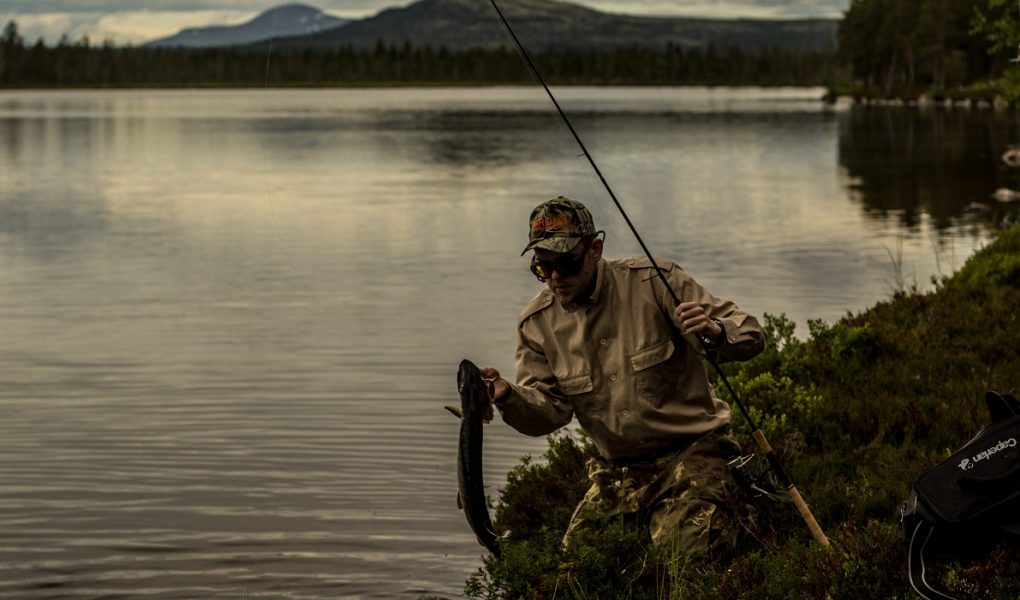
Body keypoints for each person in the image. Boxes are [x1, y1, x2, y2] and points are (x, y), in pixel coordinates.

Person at [481, 196, 766, 559]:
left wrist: (716, 330)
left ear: (595, 249)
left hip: (693, 453)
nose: (555, 278)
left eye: (566, 264)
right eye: (542, 268)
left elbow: (752, 333)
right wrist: (508, 395)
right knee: (574, 571)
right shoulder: (535, 325)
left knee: (687, 560)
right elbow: (548, 412)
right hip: (615, 474)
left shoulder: (655, 281)